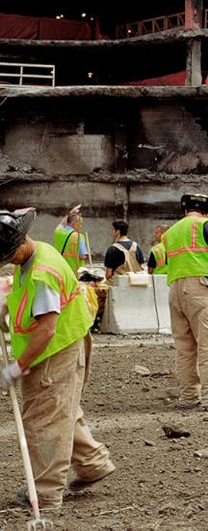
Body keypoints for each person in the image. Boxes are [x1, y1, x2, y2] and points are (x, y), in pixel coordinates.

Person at [0, 208, 115, 515]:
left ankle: (46, 494)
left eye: (8, 256)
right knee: (62, 408)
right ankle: (93, 463)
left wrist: (18, 366)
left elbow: (47, 328)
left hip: (54, 350)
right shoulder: (35, 255)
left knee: (45, 420)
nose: (8, 263)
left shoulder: (42, 273)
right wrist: (6, 307)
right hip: (64, 345)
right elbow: (25, 298)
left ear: (19, 244)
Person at [161, 193, 208, 410]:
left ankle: (189, 397)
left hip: (175, 289)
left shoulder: (171, 232)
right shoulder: (204, 224)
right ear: (206, 212)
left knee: (185, 347)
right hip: (200, 287)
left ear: (185, 211)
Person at [52, 205, 89, 271]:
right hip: (74, 271)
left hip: (60, 269)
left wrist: (70, 212)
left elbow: (61, 223)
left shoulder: (58, 232)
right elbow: (82, 256)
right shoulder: (79, 237)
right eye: (80, 223)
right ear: (73, 223)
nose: (81, 226)